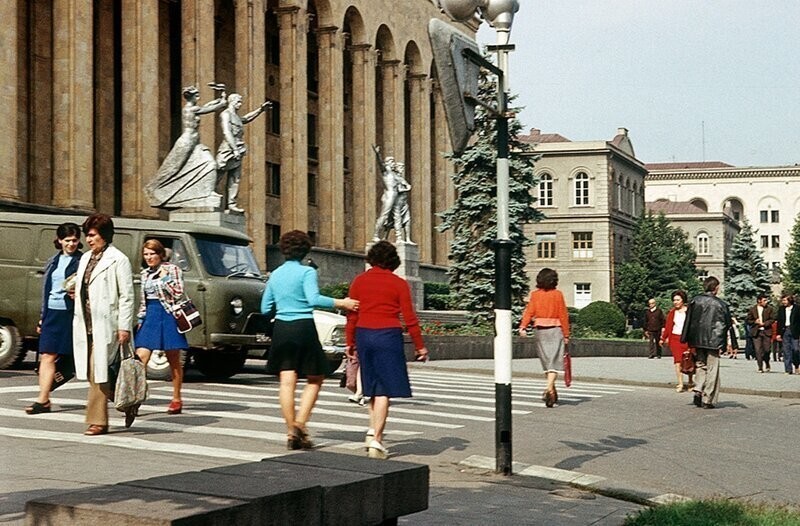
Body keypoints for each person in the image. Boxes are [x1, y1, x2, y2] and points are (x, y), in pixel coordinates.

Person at [260, 231, 358, 450]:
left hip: (282, 329)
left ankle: (289, 431)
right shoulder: (306, 272)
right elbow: (313, 299)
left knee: (287, 381)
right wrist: (342, 302)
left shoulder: (275, 274)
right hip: (303, 327)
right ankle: (301, 424)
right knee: (315, 377)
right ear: (305, 250)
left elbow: (265, 307)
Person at [345, 241, 429, 459]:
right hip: (388, 336)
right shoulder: (398, 283)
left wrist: (349, 342)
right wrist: (420, 347)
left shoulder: (359, 281)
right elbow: (410, 318)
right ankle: (377, 441)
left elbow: (352, 314)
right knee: (383, 390)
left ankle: (372, 429)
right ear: (393, 261)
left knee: (371, 386)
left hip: (364, 334)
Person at [72, 214, 136, 435]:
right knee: (98, 372)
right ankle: (127, 401)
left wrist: (124, 326)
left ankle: (98, 421)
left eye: (92, 235)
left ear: (104, 235)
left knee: (98, 372)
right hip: (86, 324)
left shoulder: (119, 259)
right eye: (87, 236)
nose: (89, 240)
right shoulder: (85, 258)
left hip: (107, 324)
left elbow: (127, 296)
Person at [25, 223, 83, 415]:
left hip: (71, 314)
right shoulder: (52, 262)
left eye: (75, 240)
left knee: (80, 358)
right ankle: (43, 399)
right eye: (67, 240)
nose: (71, 244)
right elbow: (46, 291)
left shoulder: (82, 261)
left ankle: (112, 395)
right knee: (47, 355)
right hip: (52, 312)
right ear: (59, 241)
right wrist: (43, 317)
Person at [145, 85, 227, 209]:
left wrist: (219, 99)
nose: (199, 97)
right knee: (172, 168)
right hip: (187, 142)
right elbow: (209, 109)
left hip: (195, 144)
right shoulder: (191, 109)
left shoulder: (194, 108)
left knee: (210, 164)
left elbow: (205, 107)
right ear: (192, 96)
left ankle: (206, 194)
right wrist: (222, 103)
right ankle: (154, 190)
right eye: (197, 95)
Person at [134, 239, 188, 414]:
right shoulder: (144, 274)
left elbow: (178, 293)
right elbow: (143, 300)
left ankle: (176, 398)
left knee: (173, 357)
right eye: (146, 254)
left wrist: (164, 278)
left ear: (160, 255)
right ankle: (135, 396)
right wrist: (140, 320)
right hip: (151, 315)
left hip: (168, 314)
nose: (149, 258)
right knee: (140, 357)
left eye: (152, 254)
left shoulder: (173, 270)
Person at [518, 268, 571, 408]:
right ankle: (549, 388)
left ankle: (552, 390)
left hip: (540, 330)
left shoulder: (535, 295)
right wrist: (566, 334)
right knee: (554, 362)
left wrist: (523, 326)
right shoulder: (558, 294)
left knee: (547, 362)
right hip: (555, 330)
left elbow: (529, 311)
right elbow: (563, 315)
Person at [681, 276, 732, 409]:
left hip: (697, 339)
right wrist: (726, 344)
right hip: (714, 341)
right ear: (715, 288)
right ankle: (708, 399)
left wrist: (685, 338)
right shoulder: (721, 304)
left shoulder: (695, 301)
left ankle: (698, 389)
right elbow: (726, 325)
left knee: (700, 365)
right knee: (712, 369)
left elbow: (688, 320)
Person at [216, 94, 270, 213]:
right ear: (232, 101)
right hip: (228, 148)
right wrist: (234, 148)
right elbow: (226, 132)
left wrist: (260, 110)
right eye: (239, 101)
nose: (240, 104)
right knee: (219, 171)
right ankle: (208, 194)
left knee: (235, 177)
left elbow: (246, 119)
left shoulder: (236, 116)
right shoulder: (226, 114)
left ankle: (231, 203)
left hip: (239, 147)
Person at [659, 290, 693, 392]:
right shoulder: (672, 313)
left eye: (678, 300)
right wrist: (663, 338)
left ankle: (691, 381)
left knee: (689, 360)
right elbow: (668, 326)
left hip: (687, 339)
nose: (676, 302)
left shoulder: (689, 312)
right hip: (675, 339)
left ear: (683, 300)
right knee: (678, 361)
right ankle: (680, 383)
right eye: (674, 300)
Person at [746, 293, 775, 373]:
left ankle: (767, 362)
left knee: (767, 349)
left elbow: (772, 319)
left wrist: (765, 323)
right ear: (759, 301)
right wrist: (755, 322)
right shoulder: (752, 309)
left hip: (766, 331)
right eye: (764, 300)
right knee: (758, 350)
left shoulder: (769, 309)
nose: (766, 302)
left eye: (766, 300)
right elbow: (748, 320)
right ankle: (760, 367)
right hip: (756, 332)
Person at [776, 292, 800, 374]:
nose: (783, 302)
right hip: (785, 330)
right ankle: (788, 369)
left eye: (785, 300)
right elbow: (779, 322)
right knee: (786, 351)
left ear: (790, 300)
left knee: (796, 349)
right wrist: (778, 334)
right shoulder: (781, 309)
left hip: (795, 331)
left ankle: (797, 365)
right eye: (783, 300)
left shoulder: (797, 308)